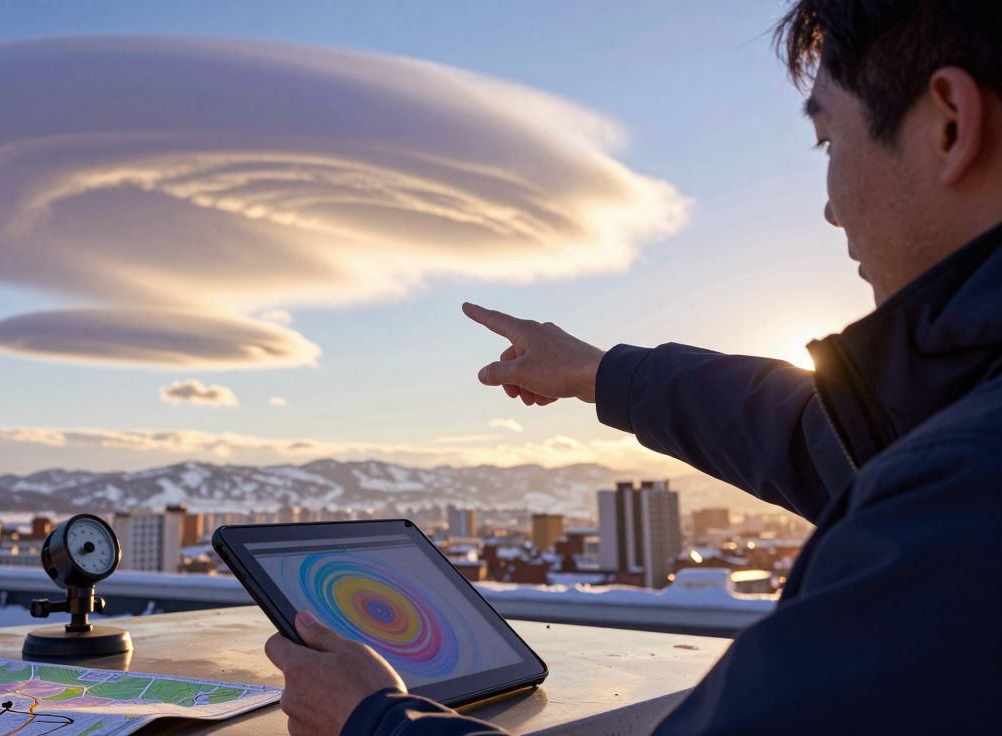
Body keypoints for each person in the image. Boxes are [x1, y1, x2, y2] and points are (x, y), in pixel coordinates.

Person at [263, 1, 1002, 734]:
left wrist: (372, 719)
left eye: (827, 139)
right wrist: (596, 372)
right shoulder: (959, 433)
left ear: (948, 122)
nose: (831, 210)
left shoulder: (965, 494)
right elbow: (826, 437)